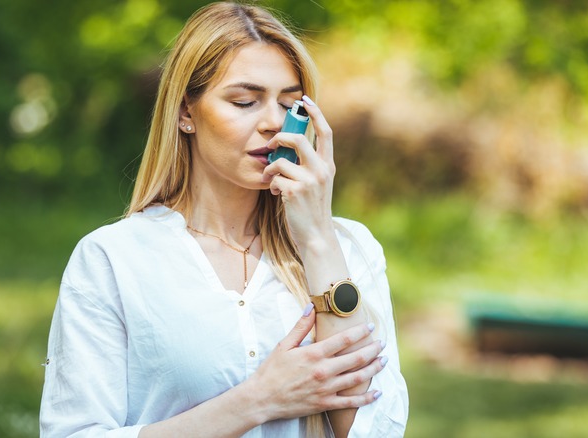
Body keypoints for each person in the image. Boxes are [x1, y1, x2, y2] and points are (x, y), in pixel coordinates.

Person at [39, 2, 408, 437]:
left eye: (291, 105)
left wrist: (318, 241)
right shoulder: (113, 259)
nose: (274, 122)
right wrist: (258, 400)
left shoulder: (348, 248)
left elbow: (376, 431)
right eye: (245, 101)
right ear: (185, 113)